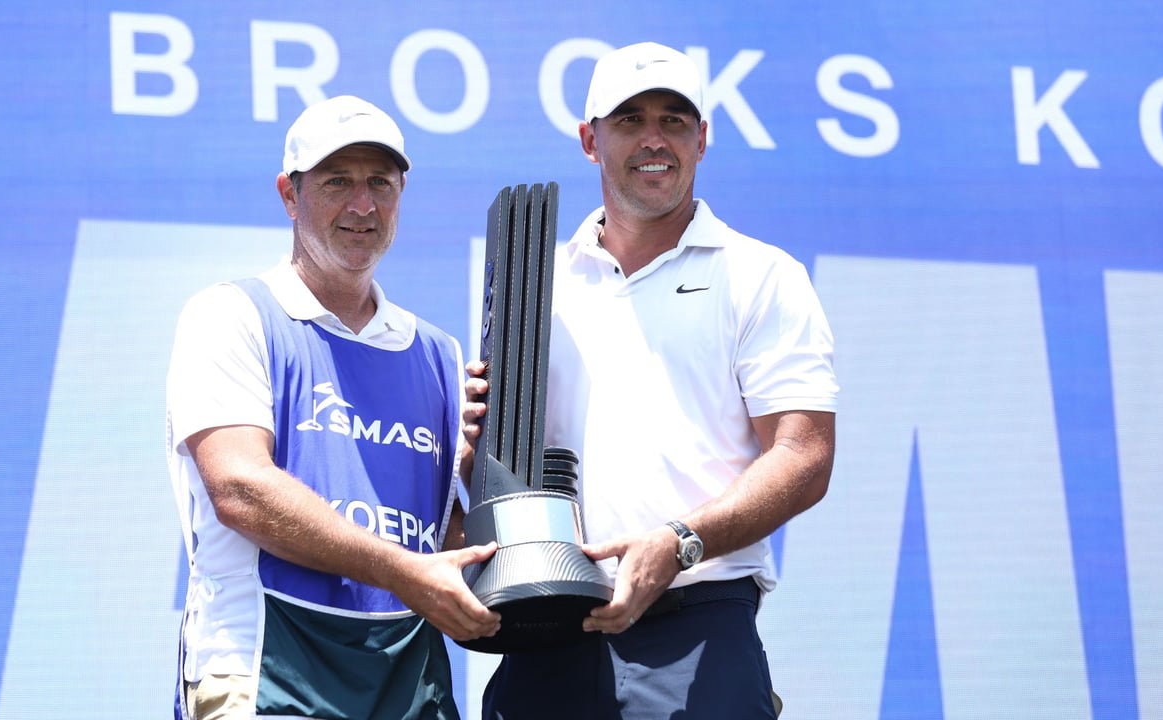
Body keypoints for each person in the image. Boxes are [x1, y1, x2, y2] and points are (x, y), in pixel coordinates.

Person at [462, 42, 838, 719]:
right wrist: (476, 460)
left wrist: (678, 542)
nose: (654, 140)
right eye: (630, 120)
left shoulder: (760, 274)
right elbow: (501, 480)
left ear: (703, 138)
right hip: (548, 624)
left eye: (674, 119)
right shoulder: (531, 282)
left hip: (697, 624)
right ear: (589, 139)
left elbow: (805, 456)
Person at [166, 94, 501, 720]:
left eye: (380, 182)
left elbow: (441, 542)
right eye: (337, 182)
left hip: (410, 681)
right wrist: (405, 572)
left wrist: (487, 477)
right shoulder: (231, 314)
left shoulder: (440, 354)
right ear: (289, 195)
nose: (362, 205)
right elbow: (241, 489)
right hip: (266, 669)